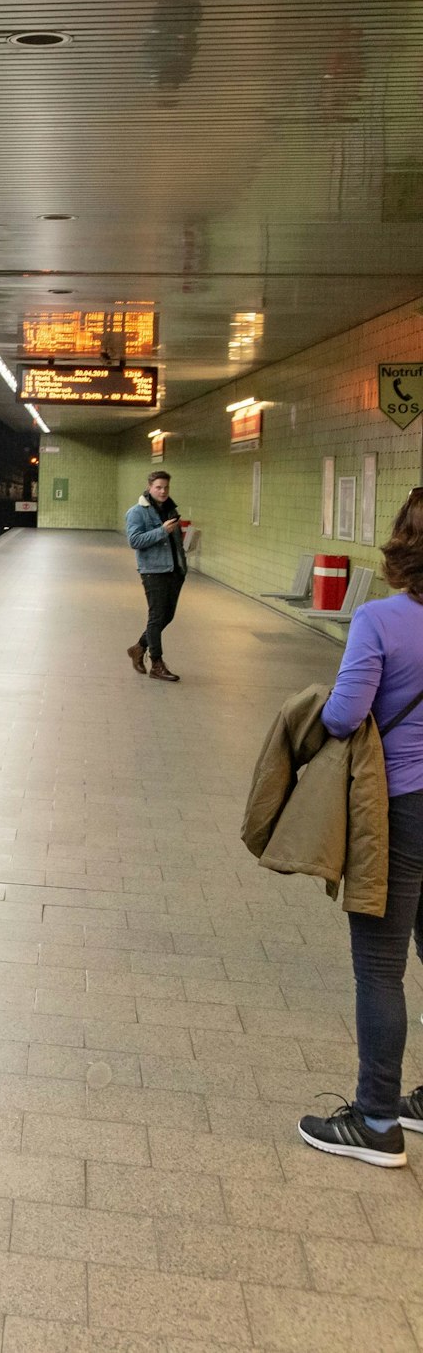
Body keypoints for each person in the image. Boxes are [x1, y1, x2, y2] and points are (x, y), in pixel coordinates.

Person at [298, 487, 423, 1167]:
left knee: (380, 970)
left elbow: (344, 716)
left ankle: (377, 1120)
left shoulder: (381, 620)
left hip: (403, 806)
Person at [124, 469, 185, 681]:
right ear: (150, 487)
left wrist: (182, 567)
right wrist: (161, 531)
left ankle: (139, 648)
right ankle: (157, 663)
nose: (163, 491)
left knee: (167, 616)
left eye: (166, 487)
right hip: (153, 571)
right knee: (156, 616)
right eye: (158, 487)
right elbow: (134, 541)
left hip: (174, 570)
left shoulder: (170, 509)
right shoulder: (137, 512)